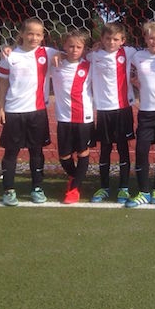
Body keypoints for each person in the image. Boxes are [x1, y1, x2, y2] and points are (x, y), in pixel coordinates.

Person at [0, 17, 57, 206]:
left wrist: (95, 47)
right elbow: (3, 82)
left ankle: (37, 188)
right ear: (21, 33)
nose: (34, 38)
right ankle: (8, 190)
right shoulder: (10, 56)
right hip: (14, 111)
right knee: (11, 152)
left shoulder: (47, 53)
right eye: (30, 33)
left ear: (43, 36)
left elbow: (75, 52)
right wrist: (0, 107)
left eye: (38, 34)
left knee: (36, 152)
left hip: (37, 112)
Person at [125, 21, 155, 208]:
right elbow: (119, 56)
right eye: (151, 37)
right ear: (145, 38)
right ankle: (144, 191)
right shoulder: (136, 56)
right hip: (146, 113)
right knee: (141, 151)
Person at [87, 22, 137, 204]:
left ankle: (124, 188)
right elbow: (72, 54)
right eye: (107, 38)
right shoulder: (93, 55)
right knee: (105, 149)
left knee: (123, 148)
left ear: (123, 40)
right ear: (101, 39)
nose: (111, 42)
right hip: (103, 110)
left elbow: (154, 52)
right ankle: (104, 187)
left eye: (116, 39)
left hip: (123, 109)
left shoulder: (129, 53)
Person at [50, 30, 95, 204]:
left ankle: (74, 188)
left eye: (78, 47)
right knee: (64, 155)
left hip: (84, 117)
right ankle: (75, 177)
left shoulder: (89, 66)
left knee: (83, 152)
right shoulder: (55, 63)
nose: (74, 50)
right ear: (64, 46)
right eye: (70, 46)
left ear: (84, 48)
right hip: (64, 117)